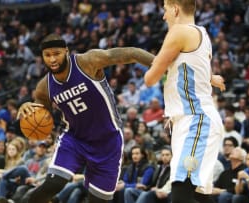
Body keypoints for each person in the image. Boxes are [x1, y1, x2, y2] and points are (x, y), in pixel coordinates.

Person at [17, 33, 155, 203]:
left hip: (108, 141)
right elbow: (40, 113)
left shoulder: (88, 61)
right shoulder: (44, 87)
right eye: (47, 55)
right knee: (52, 185)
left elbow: (131, 53)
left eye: (57, 53)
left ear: (66, 51)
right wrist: (27, 109)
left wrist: (163, 64)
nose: (52, 59)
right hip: (74, 139)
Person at [143, 0, 225, 203]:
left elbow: (150, 78)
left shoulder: (179, 32)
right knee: (196, 194)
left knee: (180, 189)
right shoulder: (202, 33)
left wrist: (159, 64)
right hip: (190, 120)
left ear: (175, 9)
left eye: (165, 10)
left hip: (196, 119)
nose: (164, 16)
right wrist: (211, 78)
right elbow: (195, 67)